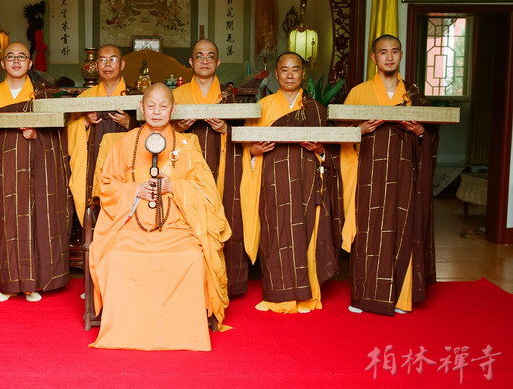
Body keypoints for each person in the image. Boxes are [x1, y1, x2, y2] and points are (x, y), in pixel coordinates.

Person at [89, 83, 231, 351]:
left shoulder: (187, 145)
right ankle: (126, 331)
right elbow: (105, 185)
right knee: (117, 257)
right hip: (131, 227)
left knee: (192, 257)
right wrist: (134, 190)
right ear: (141, 108)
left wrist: (174, 186)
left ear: (173, 109)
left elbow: (206, 191)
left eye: (163, 106)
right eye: (151, 106)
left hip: (176, 227)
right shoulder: (125, 143)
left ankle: (183, 333)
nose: (156, 112)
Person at [340, 34, 438, 316]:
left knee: (403, 227)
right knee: (367, 231)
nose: (389, 57)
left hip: (405, 173)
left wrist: (421, 131)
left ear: (401, 55)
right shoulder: (359, 93)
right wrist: (359, 130)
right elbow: (338, 132)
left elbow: (431, 134)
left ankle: (401, 297)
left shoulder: (414, 96)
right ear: (374, 58)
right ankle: (364, 296)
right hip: (368, 172)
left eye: (395, 51)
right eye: (383, 52)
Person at [239, 52, 343, 313]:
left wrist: (321, 149)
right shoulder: (261, 107)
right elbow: (246, 147)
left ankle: (308, 297)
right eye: (284, 70)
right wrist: (254, 151)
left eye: (295, 70)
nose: (289, 75)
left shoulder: (316, 109)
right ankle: (276, 296)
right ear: (276, 74)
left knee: (306, 233)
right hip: (272, 181)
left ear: (303, 74)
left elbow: (332, 152)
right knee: (275, 235)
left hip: (307, 182)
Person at [0, 42, 72, 303]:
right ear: (3, 63)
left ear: (30, 64)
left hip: (34, 168)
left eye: (22, 57)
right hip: (1, 170)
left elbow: (60, 135)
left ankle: (32, 284)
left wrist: (37, 134)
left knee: (33, 221)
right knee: (5, 222)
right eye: (10, 57)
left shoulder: (42, 97)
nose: (16, 61)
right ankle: (8, 283)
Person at [174, 39, 247, 296]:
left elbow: (248, 134)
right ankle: (187, 284)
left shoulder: (230, 97)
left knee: (225, 213)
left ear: (218, 62)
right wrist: (178, 127)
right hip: (187, 171)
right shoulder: (176, 96)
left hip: (223, 163)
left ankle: (228, 281)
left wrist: (226, 128)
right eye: (199, 56)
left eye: (210, 56)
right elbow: (158, 132)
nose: (205, 61)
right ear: (191, 62)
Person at [68, 44, 136, 225]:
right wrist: (84, 122)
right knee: (93, 198)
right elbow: (68, 132)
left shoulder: (134, 95)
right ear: (96, 65)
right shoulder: (86, 97)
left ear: (122, 64)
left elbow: (151, 131)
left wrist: (129, 122)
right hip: (92, 159)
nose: (107, 64)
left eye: (113, 59)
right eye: (102, 60)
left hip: (124, 161)